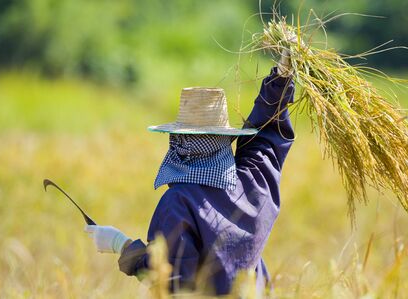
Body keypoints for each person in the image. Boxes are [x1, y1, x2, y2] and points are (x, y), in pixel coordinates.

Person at [85, 52, 295, 295]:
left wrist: (120, 245)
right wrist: (280, 80)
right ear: (225, 139)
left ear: (179, 141)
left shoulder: (178, 202)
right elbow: (268, 139)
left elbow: (173, 282)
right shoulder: (254, 182)